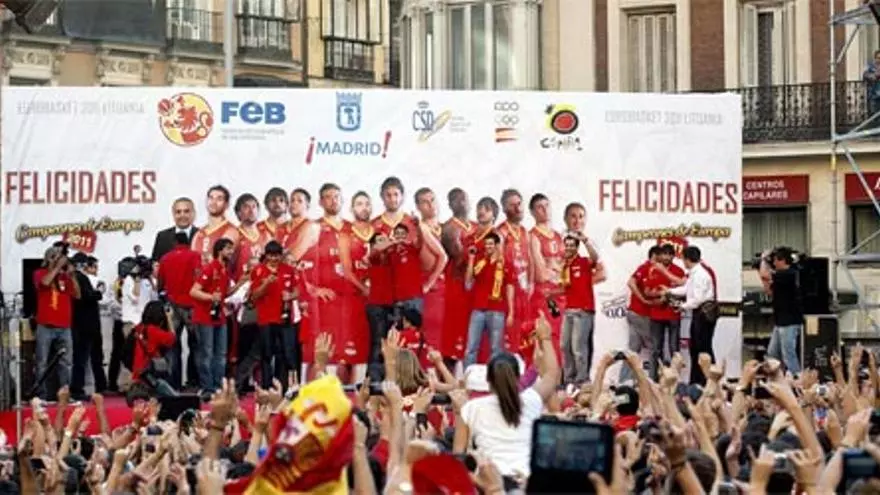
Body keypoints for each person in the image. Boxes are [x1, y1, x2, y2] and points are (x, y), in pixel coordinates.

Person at [455, 311, 560, 481]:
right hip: (525, 482)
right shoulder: (531, 400)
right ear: (518, 378)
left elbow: (458, 458)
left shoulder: (470, 408)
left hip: (490, 483)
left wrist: (458, 412)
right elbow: (551, 375)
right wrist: (545, 338)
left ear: (488, 380)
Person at [190, 238, 241, 397]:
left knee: (221, 354)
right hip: (205, 317)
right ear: (220, 250)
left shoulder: (225, 270)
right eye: (228, 249)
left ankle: (219, 386)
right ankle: (207, 388)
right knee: (207, 353)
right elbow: (194, 291)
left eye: (232, 249)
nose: (231, 253)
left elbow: (224, 294)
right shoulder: (209, 268)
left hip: (219, 317)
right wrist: (211, 297)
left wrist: (241, 283)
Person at [662, 245, 717, 385]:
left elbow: (697, 299)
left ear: (687, 259)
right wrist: (670, 291)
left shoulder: (700, 275)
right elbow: (687, 289)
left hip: (703, 315)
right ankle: (697, 381)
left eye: (683, 259)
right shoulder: (695, 273)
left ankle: (708, 382)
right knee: (696, 349)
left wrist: (682, 306)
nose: (683, 262)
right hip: (699, 314)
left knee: (703, 350)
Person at [33, 244, 80, 400]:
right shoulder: (39, 273)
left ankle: (65, 395)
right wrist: (56, 267)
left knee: (66, 363)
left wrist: (72, 276)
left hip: (64, 326)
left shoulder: (65, 278)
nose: (59, 260)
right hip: (45, 325)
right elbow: (45, 283)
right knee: (42, 362)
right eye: (55, 257)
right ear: (48, 259)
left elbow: (78, 295)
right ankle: (41, 396)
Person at [157, 232, 202, 390]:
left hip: (173, 306)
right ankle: (194, 382)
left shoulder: (165, 258)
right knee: (196, 345)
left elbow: (160, 283)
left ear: (174, 242)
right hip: (192, 306)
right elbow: (199, 278)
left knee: (172, 344)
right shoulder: (195, 256)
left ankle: (173, 383)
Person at [249, 241, 298, 388]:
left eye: (277, 255)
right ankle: (266, 387)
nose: (274, 259)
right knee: (266, 355)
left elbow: (298, 290)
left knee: (285, 354)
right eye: (271, 255)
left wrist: (290, 296)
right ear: (266, 255)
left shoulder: (289, 269)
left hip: (284, 318)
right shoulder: (258, 271)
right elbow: (254, 296)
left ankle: (282, 388)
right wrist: (266, 284)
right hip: (266, 320)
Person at [463, 232, 514, 369]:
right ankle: (468, 380)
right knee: (471, 348)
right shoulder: (481, 262)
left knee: (496, 349)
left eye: (491, 244)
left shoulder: (506, 264)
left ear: (497, 245)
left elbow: (510, 288)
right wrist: (471, 259)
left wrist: (511, 312)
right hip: (478, 309)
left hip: (497, 310)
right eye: (486, 244)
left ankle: (495, 381)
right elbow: (468, 284)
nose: (488, 247)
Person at [558, 234, 602, 384]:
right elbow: (566, 289)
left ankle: (581, 380)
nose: (569, 247)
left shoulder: (583, 262)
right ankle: (569, 380)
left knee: (578, 348)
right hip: (569, 310)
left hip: (583, 311)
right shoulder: (565, 266)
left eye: (572, 245)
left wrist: (585, 240)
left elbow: (595, 258)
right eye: (567, 245)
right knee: (564, 346)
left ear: (576, 247)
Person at [496, 189, 532, 355]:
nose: (518, 208)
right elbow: (497, 264)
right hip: (508, 295)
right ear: (504, 209)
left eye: (519, 204)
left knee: (527, 338)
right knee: (510, 339)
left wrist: (531, 283)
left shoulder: (525, 232)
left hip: (525, 294)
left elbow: (530, 259)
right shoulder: (501, 232)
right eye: (512, 205)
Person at [414, 187, 449, 358]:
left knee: (448, 344)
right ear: (418, 206)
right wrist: (428, 283)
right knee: (429, 339)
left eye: (433, 200)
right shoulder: (418, 229)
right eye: (425, 202)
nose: (430, 205)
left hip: (449, 292)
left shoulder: (448, 228)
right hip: (429, 292)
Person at [621, 246, 662, 382]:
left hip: (635, 314)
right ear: (655, 256)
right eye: (661, 255)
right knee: (654, 347)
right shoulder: (647, 268)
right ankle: (652, 381)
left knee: (633, 349)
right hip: (640, 314)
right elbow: (631, 283)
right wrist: (643, 299)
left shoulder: (651, 269)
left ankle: (625, 381)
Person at [761, 247, 803, 375]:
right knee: (772, 354)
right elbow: (769, 290)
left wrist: (763, 260)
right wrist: (765, 281)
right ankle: (777, 378)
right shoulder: (780, 276)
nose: (773, 263)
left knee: (788, 355)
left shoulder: (789, 273)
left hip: (789, 321)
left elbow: (765, 274)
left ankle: (797, 379)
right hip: (780, 321)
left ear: (783, 260)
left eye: (775, 260)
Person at [69, 254, 105, 401]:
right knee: (81, 359)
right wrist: (98, 293)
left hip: (83, 324)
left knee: (84, 359)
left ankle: (85, 386)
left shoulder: (78, 277)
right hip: (85, 325)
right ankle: (77, 389)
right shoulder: (79, 277)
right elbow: (86, 296)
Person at [645, 244, 685, 373]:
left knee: (674, 349)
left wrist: (668, 294)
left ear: (674, 256)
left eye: (670, 254)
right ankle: (655, 379)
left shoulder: (679, 271)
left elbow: (685, 291)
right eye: (664, 254)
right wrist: (658, 294)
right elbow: (647, 291)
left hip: (673, 314)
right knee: (656, 349)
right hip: (656, 315)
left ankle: (675, 379)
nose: (667, 257)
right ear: (660, 255)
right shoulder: (652, 270)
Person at [129, 301, 177, 397]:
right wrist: (169, 319)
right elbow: (172, 339)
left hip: (138, 371)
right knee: (174, 397)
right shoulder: (153, 331)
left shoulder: (139, 327)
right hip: (151, 374)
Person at [191, 185, 239, 259]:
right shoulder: (198, 233)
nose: (214, 202)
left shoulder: (231, 231)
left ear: (227, 204)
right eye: (211, 198)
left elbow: (222, 260)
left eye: (219, 199)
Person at [233, 193, 272, 281]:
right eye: (246, 207)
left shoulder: (266, 235)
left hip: (262, 287)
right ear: (238, 213)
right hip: (240, 289)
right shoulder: (234, 235)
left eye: (254, 207)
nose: (251, 210)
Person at [151, 197, 196, 261]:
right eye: (178, 212)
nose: (182, 215)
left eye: (186, 211)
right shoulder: (162, 237)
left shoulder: (200, 235)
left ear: (193, 213)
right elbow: (155, 262)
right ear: (173, 214)